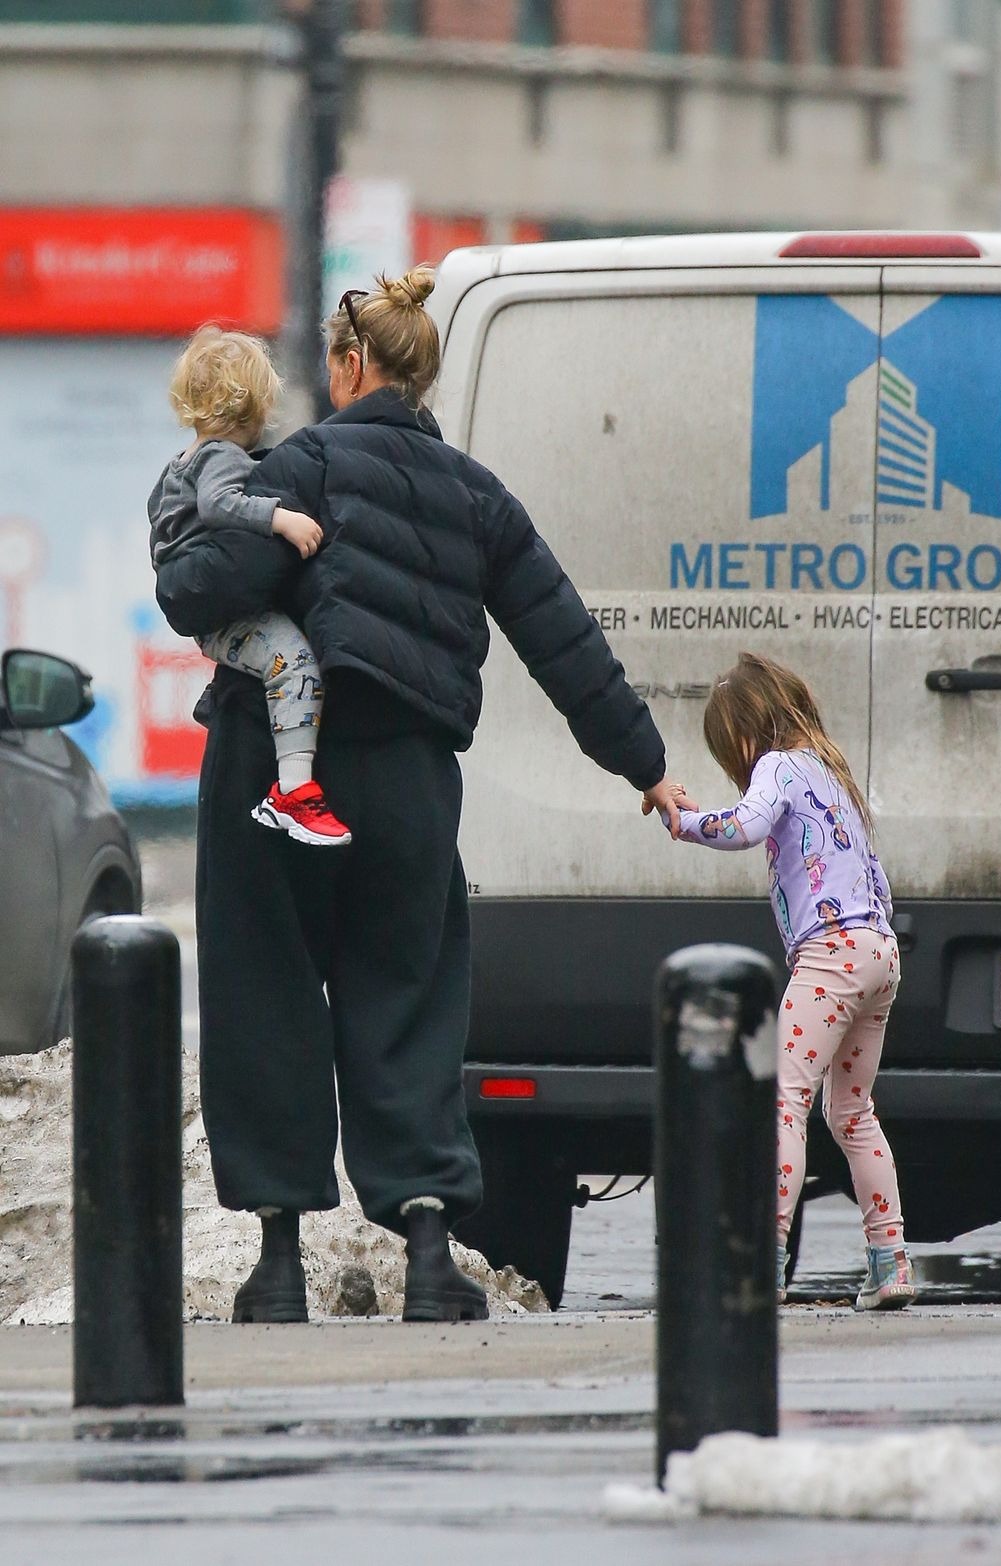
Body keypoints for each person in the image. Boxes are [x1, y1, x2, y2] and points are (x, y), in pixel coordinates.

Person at [154, 267, 690, 1324]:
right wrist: (648, 767)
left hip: (275, 775)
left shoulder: (298, 466)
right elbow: (563, 639)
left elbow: (199, 592)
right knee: (407, 1000)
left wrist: (199, 530)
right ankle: (433, 1253)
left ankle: (278, 1265)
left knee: (266, 998)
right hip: (407, 778)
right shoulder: (476, 495)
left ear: (351, 365)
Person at [658, 652, 915, 1312]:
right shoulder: (831, 771)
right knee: (853, 1113)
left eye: (730, 751)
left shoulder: (777, 765)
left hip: (829, 957)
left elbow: (745, 827)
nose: (737, 767)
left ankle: (763, 1262)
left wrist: (684, 823)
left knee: (784, 1101)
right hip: (879, 952)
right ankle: (890, 1262)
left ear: (748, 733)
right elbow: (876, 877)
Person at [148, 325, 352, 846]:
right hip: (225, 614)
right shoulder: (222, 456)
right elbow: (219, 505)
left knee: (270, 664)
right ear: (251, 407)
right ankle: (295, 789)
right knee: (295, 663)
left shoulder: (180, 464)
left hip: (203, 610)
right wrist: (281, 518)